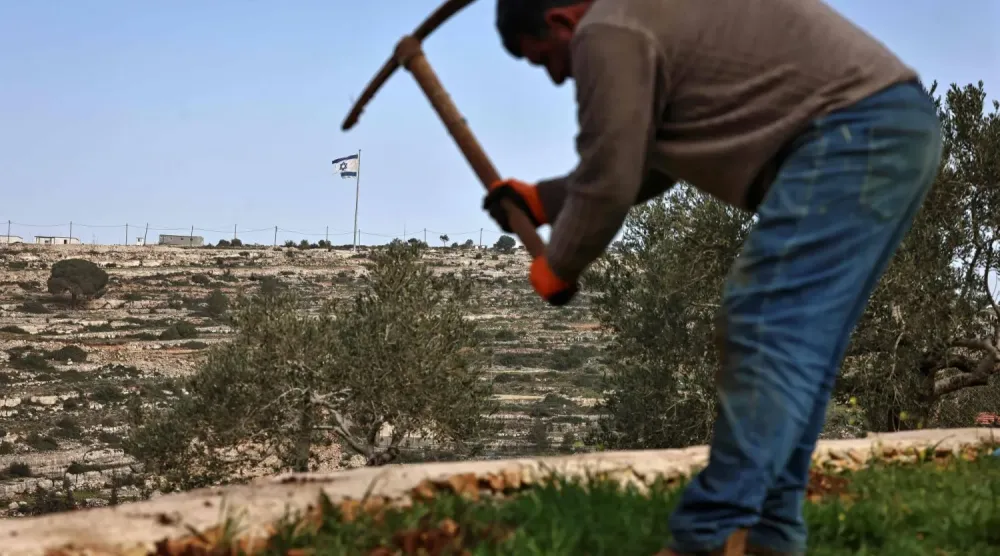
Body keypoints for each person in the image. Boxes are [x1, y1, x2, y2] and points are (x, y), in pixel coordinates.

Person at [482, 0, 943, 554]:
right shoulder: (644, 18)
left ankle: (708, 534)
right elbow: (644, 166)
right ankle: (771, 537)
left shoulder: (606, 26)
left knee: (762, 321)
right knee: (799, 349)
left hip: (851, 131)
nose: (557, 76)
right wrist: (543, 201)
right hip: (891, 124)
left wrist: (559, 266)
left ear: (560, 21)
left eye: (543, 60)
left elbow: (609, 180)